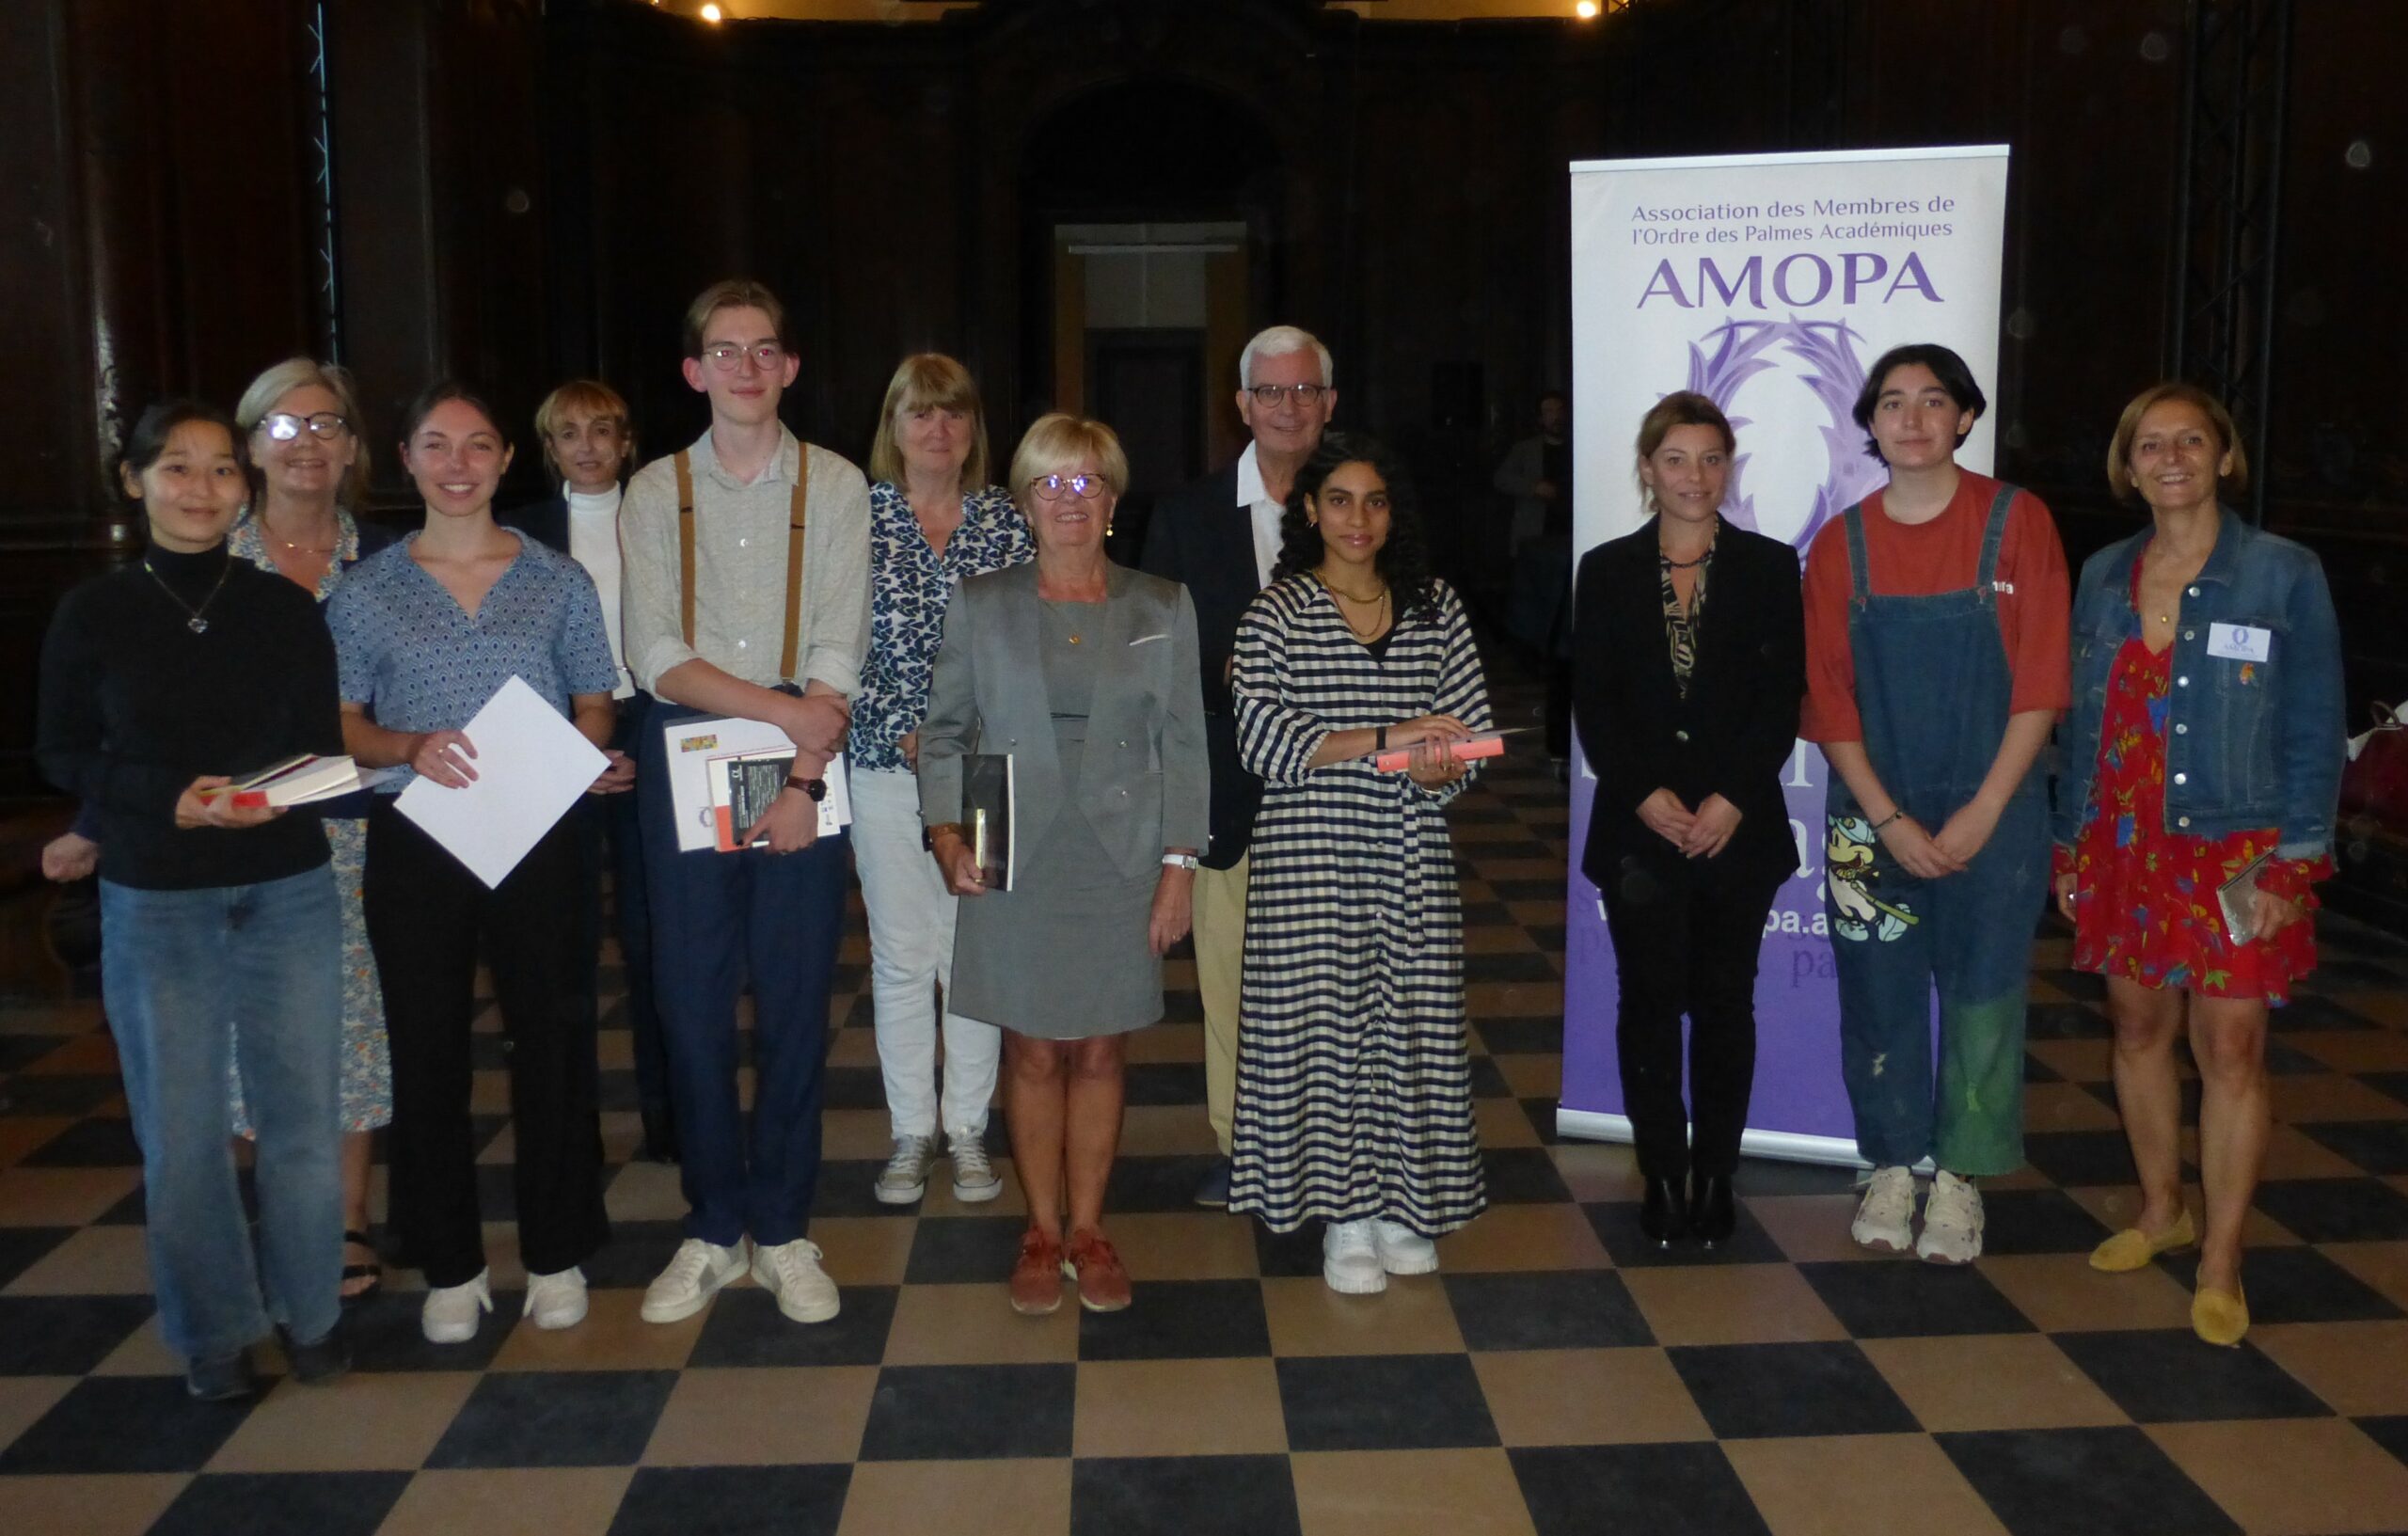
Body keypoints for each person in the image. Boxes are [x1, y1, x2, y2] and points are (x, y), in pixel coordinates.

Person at [38, 400, 349, 1399]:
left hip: (286, 884)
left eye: (222, 471)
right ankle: (214, 1333)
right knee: (181, 1137)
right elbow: (62, 749)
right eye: (177, 468)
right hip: (157, 894)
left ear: (244, 488)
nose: (202, 489)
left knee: (302, 1123)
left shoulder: (284, 607)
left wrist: (268, 794)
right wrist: (172, 798)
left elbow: (318, 746)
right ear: (135, 481)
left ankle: (312, 1313)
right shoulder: (94, 612)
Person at [330, 382, 620, 1344]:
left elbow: (592, 699)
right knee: (428, 1046)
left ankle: (557, 1249)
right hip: (417, 834)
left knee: (552, 1040)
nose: (458, 464)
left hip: (540, 830)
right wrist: (407, 745)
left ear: (505, 461)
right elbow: (342, 721)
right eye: (437, 445)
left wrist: (586, 760)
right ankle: (449, 1261)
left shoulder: (556, 579)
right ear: (405, 459)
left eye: (478, 445)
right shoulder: (367, 589)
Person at [2055, 383, 2345, 1345]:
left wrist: (2292, 863)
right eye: (2149, 443)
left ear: (2224, 456)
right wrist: (2071, 840)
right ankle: (2159, 1208)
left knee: (2231, 1050)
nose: (2169, 457)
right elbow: (2082, 724)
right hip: (2125, 846)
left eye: (2189, 441)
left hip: (2239, 850)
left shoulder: (2280, 572)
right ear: (2126, 464)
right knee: (2136, 1027)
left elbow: (2311, 727)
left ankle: (2220, 1257)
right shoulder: (2100, 572)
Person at [919, 413, 1208, 1315]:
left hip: (1122, 856)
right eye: (1051, 483)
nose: (1070, 500)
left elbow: (1187, 743)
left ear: (1113, 500)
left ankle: (1091, 1227)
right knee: (1034, 1051)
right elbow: (944, 731)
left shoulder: (1162, 603)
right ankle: (1041, 1228)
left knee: (1100, 1051)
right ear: (1024, 503)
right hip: (1014, 845)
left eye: (1087, 483)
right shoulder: (982, 600)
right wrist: (946, 834)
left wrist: (1179, 867)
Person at [622, 279, 869, 1329]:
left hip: (803, 757)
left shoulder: (839, 484)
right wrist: (790, 720)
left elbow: (837, 642)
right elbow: (656, 656)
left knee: (796, 1003)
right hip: (696, 746)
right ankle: (713, 1225)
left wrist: (806, 778)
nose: (746, 369)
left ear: (791, 366)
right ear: (694, 371)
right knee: (691, 1002)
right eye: (725, 353)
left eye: (764, 351)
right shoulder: (652, 490)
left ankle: (785, 1225)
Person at [1800, 342, 2070, 1264]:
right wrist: (1884, 816)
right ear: (1869, 424)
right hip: (1870, 816)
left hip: (1996, 810)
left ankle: (1959, 1175)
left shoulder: (2018, 522)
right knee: (1876, 992)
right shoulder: (1842, 544)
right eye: (1891, 402)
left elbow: (2040, 679)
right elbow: (1828, 698)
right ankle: (1886, 1162)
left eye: (1932, 401)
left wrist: (1988, 806)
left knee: (1983, 994)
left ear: (1963, 416)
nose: (1911, 418)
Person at [1227, 433, 1495, 1293]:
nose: (1357, 518)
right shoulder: (1277, 613)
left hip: (1409, 849)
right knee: (1326, 1032)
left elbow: (1474, 733)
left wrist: (1443, 764)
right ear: (1307, 511)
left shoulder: (1437, 607)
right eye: (1338, 499)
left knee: (1412, 1026)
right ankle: (1344, 1216)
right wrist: (1388, 738)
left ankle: (1404, 1205)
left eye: (1374, 501)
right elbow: (1264, 742)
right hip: (1310, 856)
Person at [1570, 392, 1804, 1247]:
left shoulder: (1772, 567)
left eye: (1711, 459)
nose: (1694, 476)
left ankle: (1717, 1175)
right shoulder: (1603, 568)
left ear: (1727, 469)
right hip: (1642, 831)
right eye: (1676, 459)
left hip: (1738, 831)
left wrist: (1733, 797)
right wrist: (1643, 792)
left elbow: (1781, 699)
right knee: (1648, 1004)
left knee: (1725, 1006)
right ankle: (1663, 1173)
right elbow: (1593, 701)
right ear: (1646, 468)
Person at [1140, 325, 1338, 1207]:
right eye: (1272, 393)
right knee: (1231, 978)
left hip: (1341, 791)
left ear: (1329, 404)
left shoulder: (1361, 503)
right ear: (1242, 405)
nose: (1289, 408)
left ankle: (1332, 1145)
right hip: (1229, 784)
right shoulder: (1185, 515)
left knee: (1336, 980)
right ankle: (1243, 1146)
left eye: (1305, 392)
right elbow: (1154, 658)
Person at [230, 357, 396, 1302]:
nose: (307, 444)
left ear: (354, 448)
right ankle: (276, 1215)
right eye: (285, 427)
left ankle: (345, 1217)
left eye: (326, 425)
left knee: (351, 1023)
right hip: (234, 829)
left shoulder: (383, 564)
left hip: (361, 830)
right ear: (252, 445)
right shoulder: (211, 560)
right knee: (241, 1028)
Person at [849, 355, 1029, 1207]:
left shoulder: (1005, 522)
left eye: (954, 414)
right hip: (884, 763)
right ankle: (909, 1131)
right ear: (894, 427)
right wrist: (909, 728)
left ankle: (966, 1131)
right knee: (902, 954)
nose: (938, 430)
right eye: (921, 414)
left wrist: (959, 733)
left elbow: (1027, 649)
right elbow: (832, 649)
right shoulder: (857, 517)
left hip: (985, 767)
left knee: (975, 953)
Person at [506, 378, 677, 1164]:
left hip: (650, 722)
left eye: (603, 430)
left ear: (627, 441)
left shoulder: (664, 519)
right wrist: (574, 750)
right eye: (569, 432)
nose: (587, 445)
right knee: (561, 941)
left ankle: (668, 1119)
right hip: (550, 731)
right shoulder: (519, 534)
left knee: (655, 937)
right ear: (548, 448)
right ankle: (570, 1130)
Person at [1497, 389, 1576, 767]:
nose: (1555, 417)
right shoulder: (1526, 449)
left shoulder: (1579, 446)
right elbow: (1501, 479)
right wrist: (1533, 488)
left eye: (1559, 411)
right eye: (1548, 412)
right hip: (1536, 541)